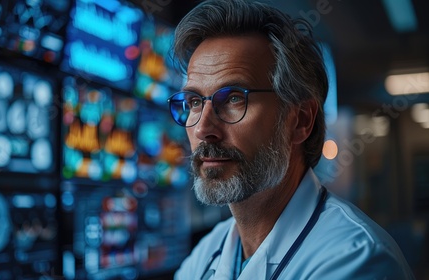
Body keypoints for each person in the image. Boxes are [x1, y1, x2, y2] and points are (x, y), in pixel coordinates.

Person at [167, 0, 415, 279]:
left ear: (300, 120)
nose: (203, 129)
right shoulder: (208, 252)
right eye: (194, 101)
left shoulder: (355, 259)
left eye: (234, 98)